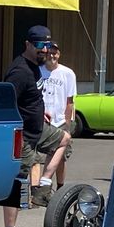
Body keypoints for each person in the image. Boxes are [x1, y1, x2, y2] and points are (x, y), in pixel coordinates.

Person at [2, 26, 64, 227]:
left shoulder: (36, 69)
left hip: (39, 128)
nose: (44, 50)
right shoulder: (19, 71)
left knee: (64, 139)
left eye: (47, 46)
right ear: (28, 44)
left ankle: (42, 186)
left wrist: (42, 112)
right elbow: (7, 104)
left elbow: (30, 98)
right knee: (16, 187)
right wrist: (15, 131)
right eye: (39, 46)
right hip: (23, 136)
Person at [38, 43, 78, 187]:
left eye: (55, 53)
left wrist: (67, 124)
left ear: (59, 55)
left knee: (60, 156)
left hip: (59, 120)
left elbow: (70, 102)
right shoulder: (38, 71)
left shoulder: (68, 73)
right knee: (38, 156)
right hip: (41, 119)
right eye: (49, 53)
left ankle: (59, 185)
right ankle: (39, 187)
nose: (52, 56)